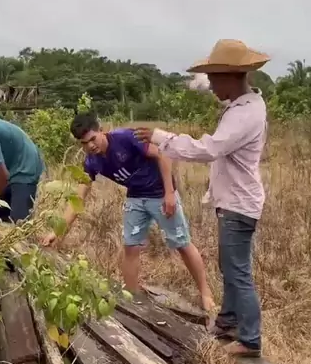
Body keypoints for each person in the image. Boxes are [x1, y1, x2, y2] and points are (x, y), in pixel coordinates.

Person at [135, 39, 269, 358]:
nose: (210, 85)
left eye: (213, 78)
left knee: (237, 271)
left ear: (230, 76)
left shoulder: (244, 114)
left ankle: (250, 339)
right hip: (235, 201)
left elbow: (208, 149)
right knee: (230, 266)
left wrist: (161, 137)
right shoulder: (245, 107)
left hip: (239, 204)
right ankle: (228, 321)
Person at [42, 111, 214, 311]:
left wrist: (169, 193)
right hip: (135, 197)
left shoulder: (125, 138)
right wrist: (57, 232)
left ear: (101, 130)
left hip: (159, 193)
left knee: (182, 243)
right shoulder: (91, 162)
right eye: (84, 143)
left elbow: (162, 154)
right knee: (130, 247)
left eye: (92, 139)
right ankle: (132, 300)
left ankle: (206, 294)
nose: (90, 146)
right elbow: (78, 200)